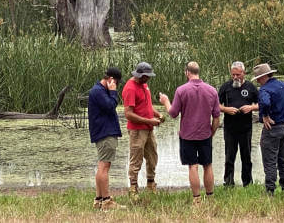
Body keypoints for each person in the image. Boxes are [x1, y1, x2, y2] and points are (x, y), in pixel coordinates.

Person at [159, 61, 220, 205]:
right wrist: (212, 131)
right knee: (208, 165)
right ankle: (210, 197)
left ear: (187, 72)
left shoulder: (181, 90)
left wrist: (165, 101)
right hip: (205, 134)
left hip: (187, 135)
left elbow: (173, 113)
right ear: (198, 71)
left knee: (193, 165)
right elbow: (217, 117)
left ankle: (197, 199)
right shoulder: (212, 90)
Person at [252, 62, 284, 195]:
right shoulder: (283, 85)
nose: (258, 82)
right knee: (283, 161)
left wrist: (265, 116)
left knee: (270, 162)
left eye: (258, 79)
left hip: (272, 129)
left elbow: (265, 102)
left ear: (262, 78)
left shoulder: (264, 90)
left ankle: (270, 191)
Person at [122, 61, 162, 198]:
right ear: (140, 75)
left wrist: (157, 114)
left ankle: (151, 184)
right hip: (137, 130)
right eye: (147, 76)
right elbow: (128, 114)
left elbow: (146, 106)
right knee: (136, 158)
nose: (149, 78)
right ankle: (133, 188)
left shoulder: (144, 85)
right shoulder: (130, 88)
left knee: (152, 156)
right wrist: (149, 121)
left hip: (149, 128)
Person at [87, 67, 125, 211]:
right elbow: (110, 106)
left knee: (101, 166)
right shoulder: (98, 91)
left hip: (102, 132)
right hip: (105, 133)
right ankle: (107, 201)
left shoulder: (99, 91)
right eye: (117, 83)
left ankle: (99, 199)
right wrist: (114, 92)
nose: (117, 85)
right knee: (104, 167)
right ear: (111, 80)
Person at [218, 61, 258, 187]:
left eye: (238, 75)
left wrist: (251, 108)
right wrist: (225, 109)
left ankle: (248, 183)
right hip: (230, 128)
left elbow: (261, 104)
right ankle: (229, 184)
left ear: (243, 73)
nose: (235, 77)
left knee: (246, 157)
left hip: (246, 128)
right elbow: (215, 105)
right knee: (229, 157)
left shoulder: (251, 87)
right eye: (233, 75)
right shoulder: (226, 87)